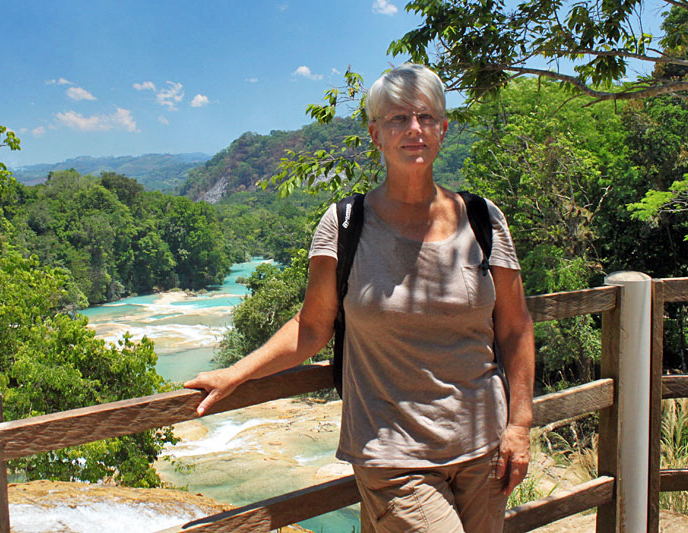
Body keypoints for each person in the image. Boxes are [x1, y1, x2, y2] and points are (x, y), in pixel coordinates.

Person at [185, 63, 535, 532]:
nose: (414, 129)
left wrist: (519, 425)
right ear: (375, 134)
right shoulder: (346, 224)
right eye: (397, 119)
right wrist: (234, 373)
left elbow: (515, 327)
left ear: (443, 129)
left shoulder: (482, 219)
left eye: (426, 117)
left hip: (484, 446)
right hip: (393, 455)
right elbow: (311, 327)